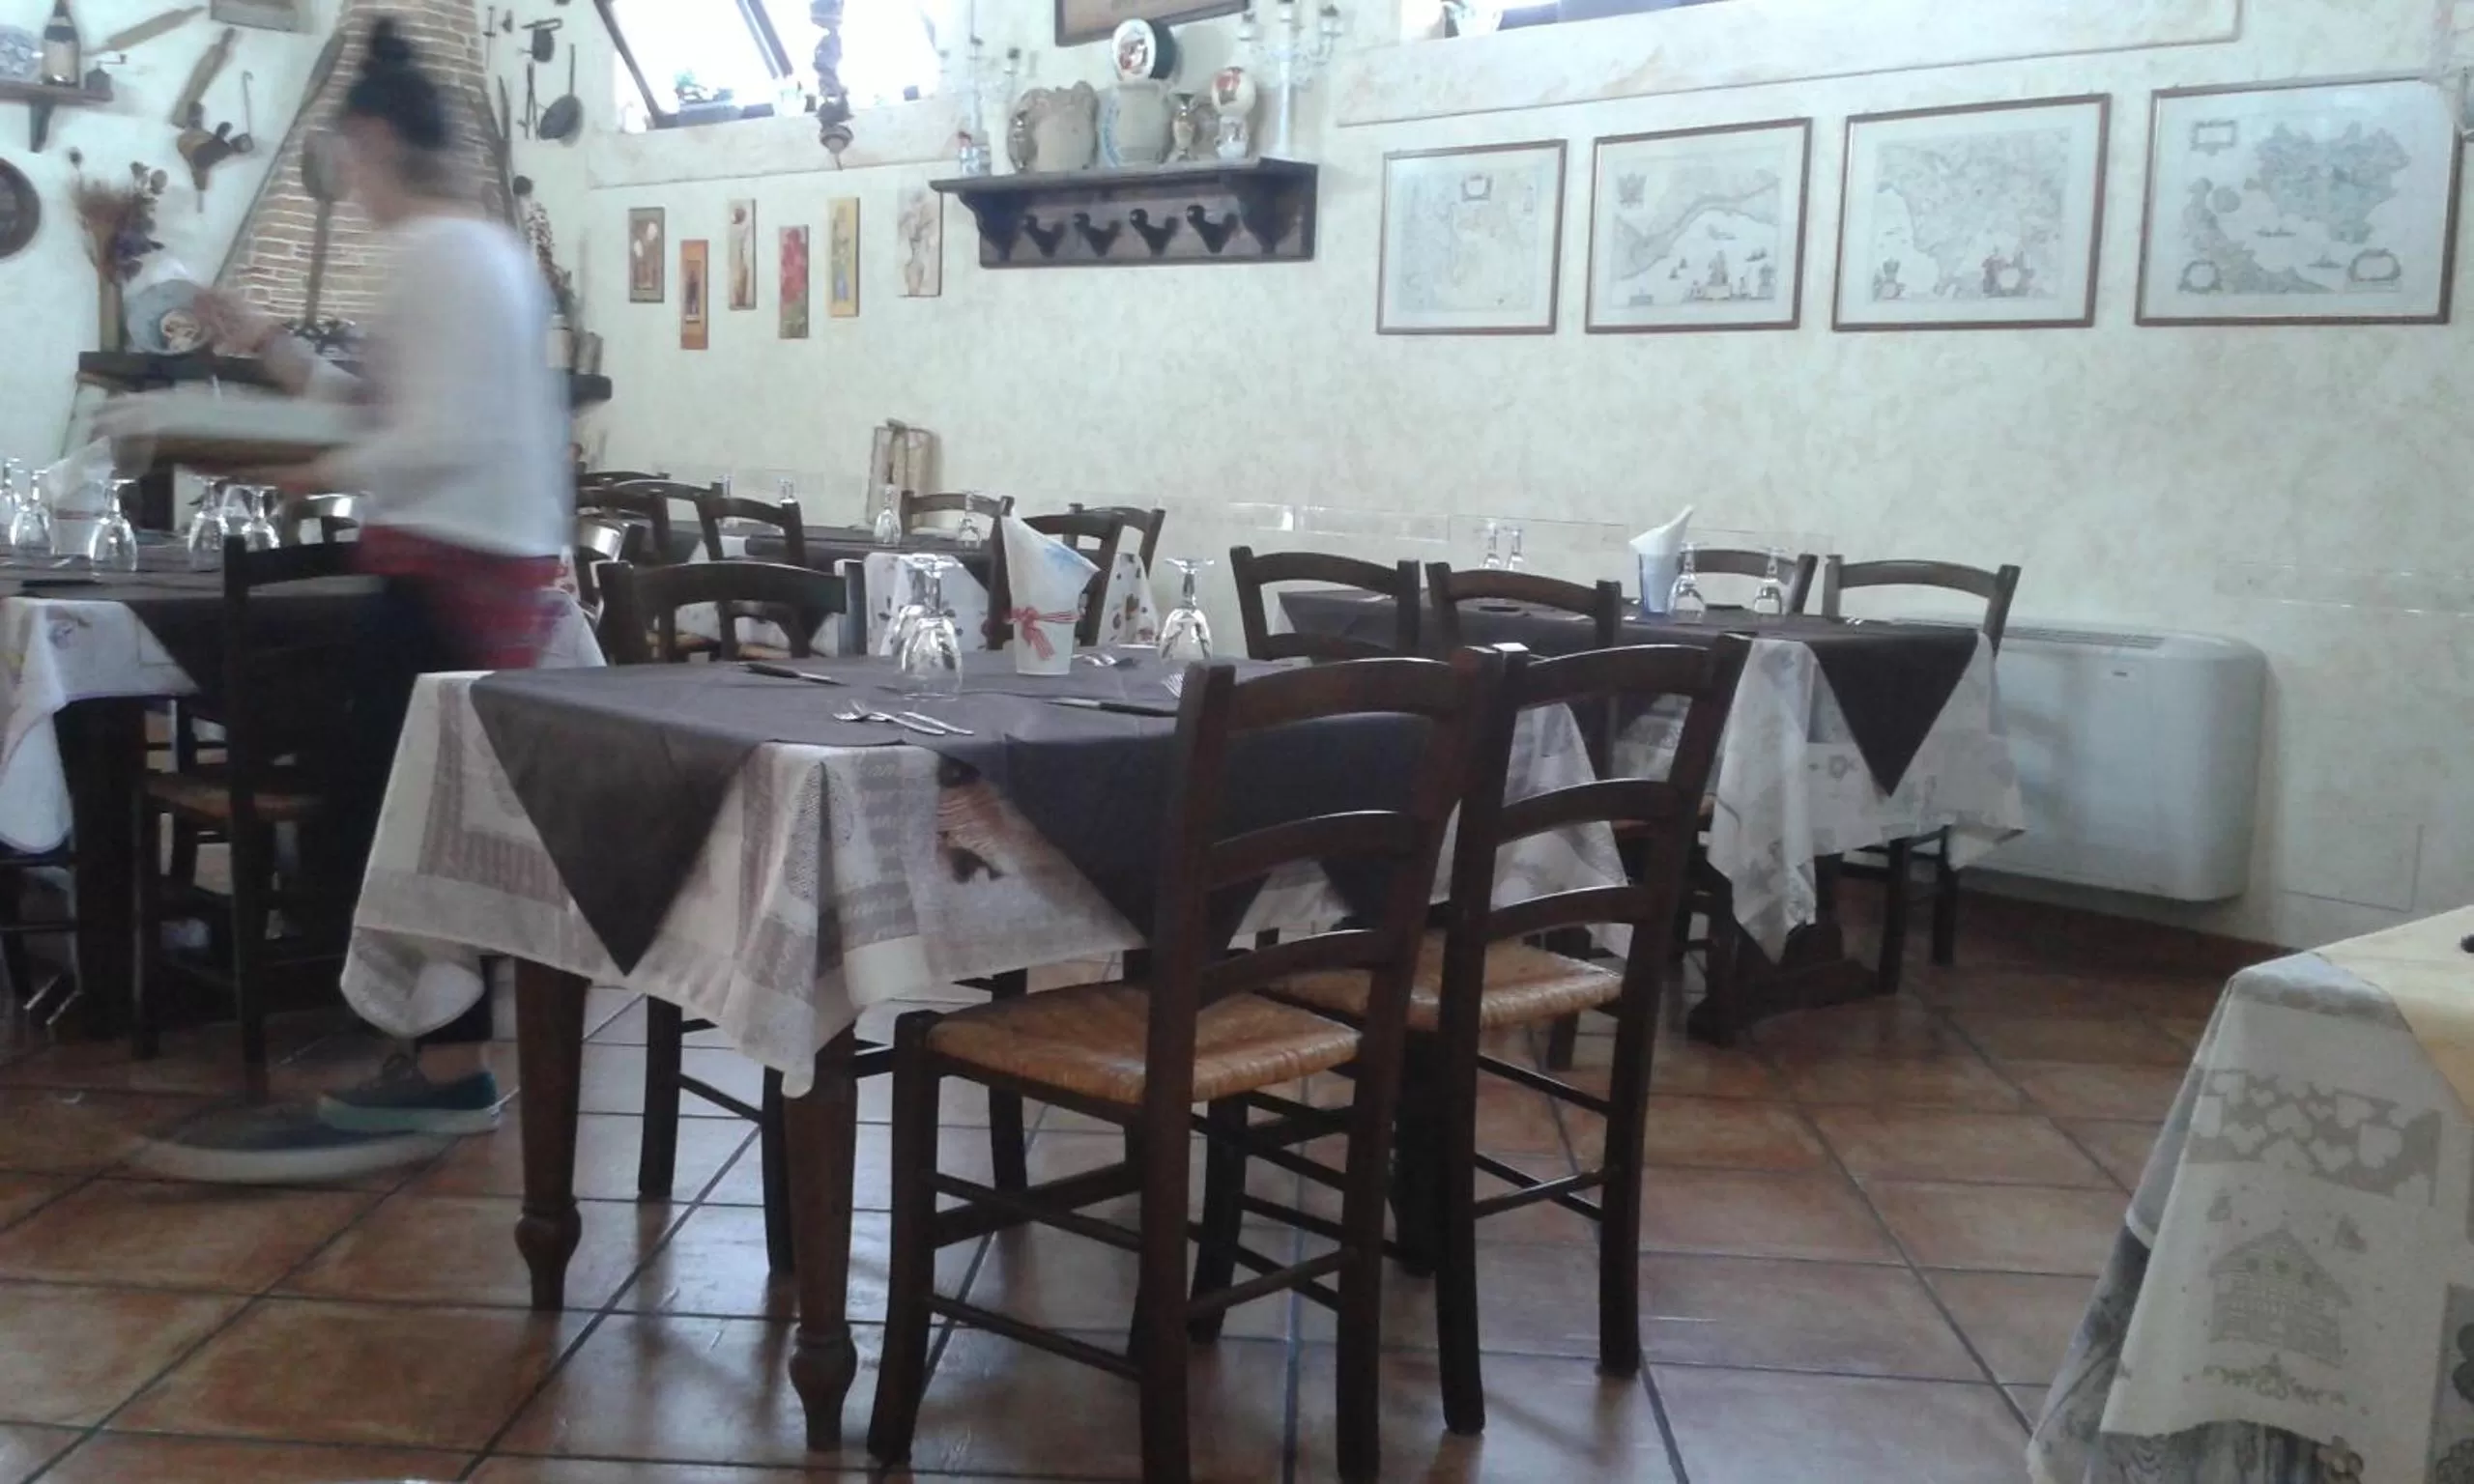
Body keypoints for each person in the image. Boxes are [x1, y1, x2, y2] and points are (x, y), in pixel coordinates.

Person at [148, 14, 574, 1182]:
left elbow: (425, 442)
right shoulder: (470, 253)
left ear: (375, 137)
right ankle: (445, 1070)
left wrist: (275, 467)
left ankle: (447, 1080)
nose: (339, 176)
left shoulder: (448, 258)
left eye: (342, 152)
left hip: (451, 595)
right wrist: (267, 342)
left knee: (371, 841)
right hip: (455, 591)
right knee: (393, 841)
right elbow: (370, 404)